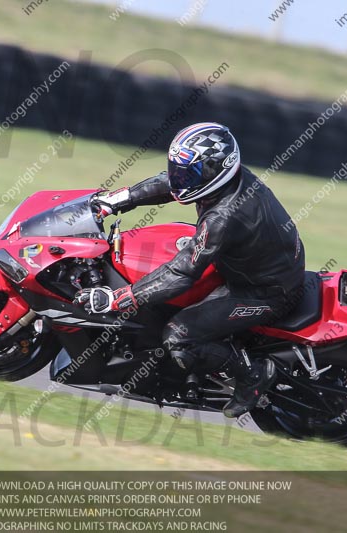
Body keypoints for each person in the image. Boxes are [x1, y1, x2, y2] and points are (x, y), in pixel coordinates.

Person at [73, 122, 306, 417]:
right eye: (178, 169)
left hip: (265, 292)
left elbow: (183, 274)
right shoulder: (227, 183)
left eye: (189, 172)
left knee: (178, 335)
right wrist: (115, 200)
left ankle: (253, 374)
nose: (179, 177)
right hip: (251, 265)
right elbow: (171, 183)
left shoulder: (222, 217)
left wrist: (118, 299)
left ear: (216, 171)